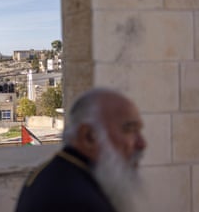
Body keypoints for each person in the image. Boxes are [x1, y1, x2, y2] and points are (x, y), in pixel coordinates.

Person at [15, 88, 146, 212]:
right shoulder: (75, 199)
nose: (142, 144)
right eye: (129, 129)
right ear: (89, 136)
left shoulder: (54, 175)